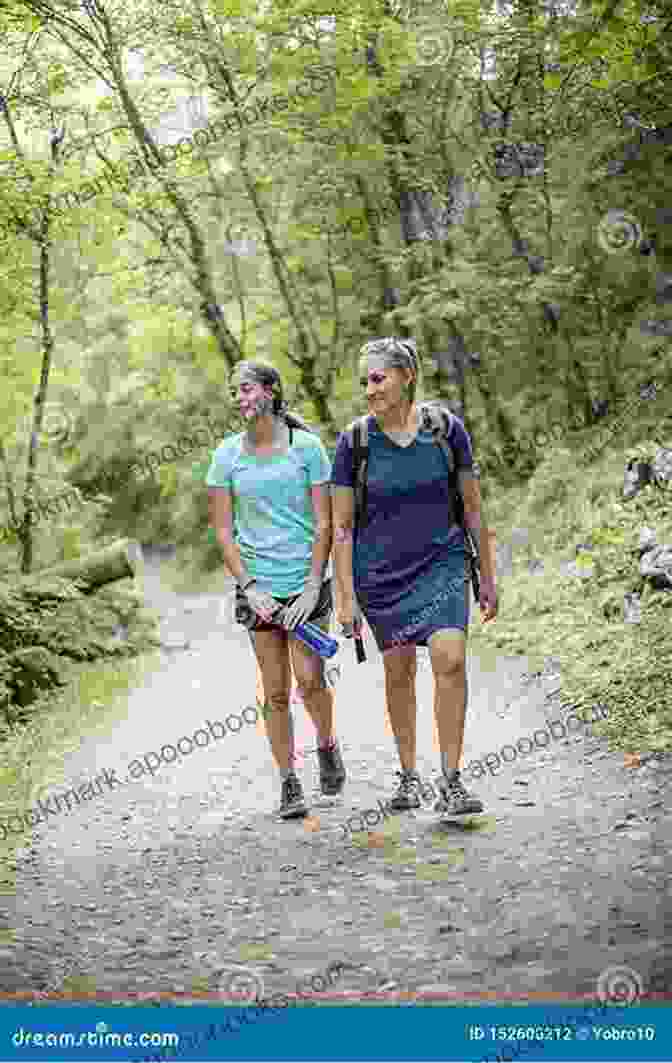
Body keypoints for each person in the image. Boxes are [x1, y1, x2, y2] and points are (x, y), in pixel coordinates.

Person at [330, 337, 498, 818]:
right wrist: (345, 596)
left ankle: (451, 780)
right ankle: (407, 773)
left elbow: (472, 507)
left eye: (377, 378)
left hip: (441, 565)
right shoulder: (354, 441)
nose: (369, 389)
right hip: (380, 574)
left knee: (450, 659)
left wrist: (487, 574)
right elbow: (342, 527)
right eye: (364, 381)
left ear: (406, 377)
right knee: (399, 670)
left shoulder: (447, 430)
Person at [206, 360, 346, 819]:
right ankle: (289, 782)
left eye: (246, 389)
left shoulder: (306, 449)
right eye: (234, 393)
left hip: (305, 583)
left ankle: (327, 744)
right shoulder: (226, 456)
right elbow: (224, 532)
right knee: (276, 691)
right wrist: (249, 586)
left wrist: (311, 588)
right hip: (259, 590)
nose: (240, 399)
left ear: (271, 391)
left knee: (310, 680)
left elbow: (325, 522)